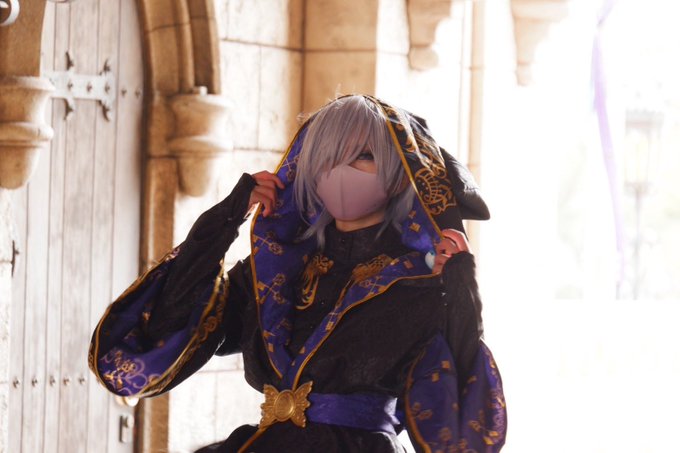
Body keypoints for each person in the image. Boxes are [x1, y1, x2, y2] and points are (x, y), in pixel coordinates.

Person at [89, 95, 507, 452]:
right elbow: (163, 329)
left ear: (399, 176)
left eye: (363, 156)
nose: (339, 170)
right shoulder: (276, 269)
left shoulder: (420, 283)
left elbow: (461, 427)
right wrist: (225, 221)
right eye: (326, 157)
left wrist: (461, 291)